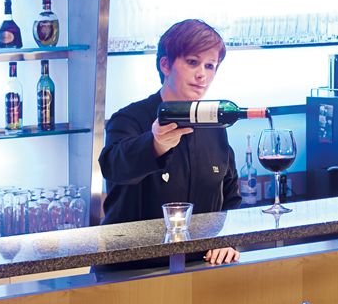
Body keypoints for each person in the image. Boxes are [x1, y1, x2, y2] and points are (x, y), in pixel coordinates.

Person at [99, 18, 241, 265]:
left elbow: (231, 196)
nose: (202, 74)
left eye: (210, 66)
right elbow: (114, 167)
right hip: (132, 270)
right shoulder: (129, 119)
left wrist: (227, 239)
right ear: (165, 64)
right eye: (192, 62)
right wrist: (155, 144)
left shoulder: (214, 126)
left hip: (200, 266)